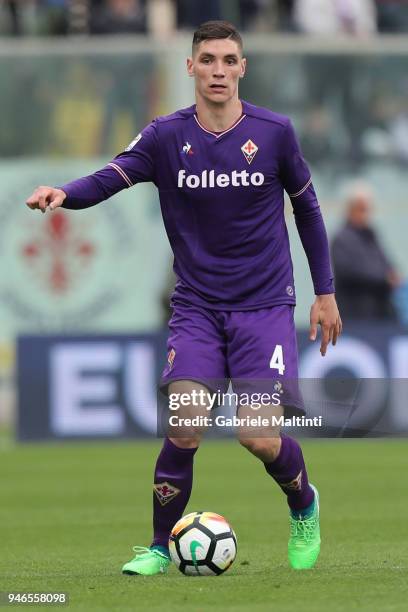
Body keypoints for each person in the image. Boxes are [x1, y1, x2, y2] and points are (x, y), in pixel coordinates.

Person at [26, 20, 342, 574]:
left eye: (228, 60)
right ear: (189, 66)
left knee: (259, 437)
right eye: (208, 60)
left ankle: (304, 503)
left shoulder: (274, 132)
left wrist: (326, 292)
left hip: (264, 306)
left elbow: (308, 210)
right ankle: (154, 546)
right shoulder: (164, 136)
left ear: (242, 67)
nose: (218, 70)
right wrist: (64, 194)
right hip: (197, 306)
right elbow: (110, 177)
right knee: (185, 422)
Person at [331, 184, 400, 321]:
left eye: (367, 209)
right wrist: (383, 278)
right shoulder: (342, 238)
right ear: (350, 210)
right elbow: (348, 271)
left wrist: (392, 275)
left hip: (379, 313)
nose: (365, 214)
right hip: (354, 314)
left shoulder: (371, 236)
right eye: (361, 209)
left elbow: (385, 263)